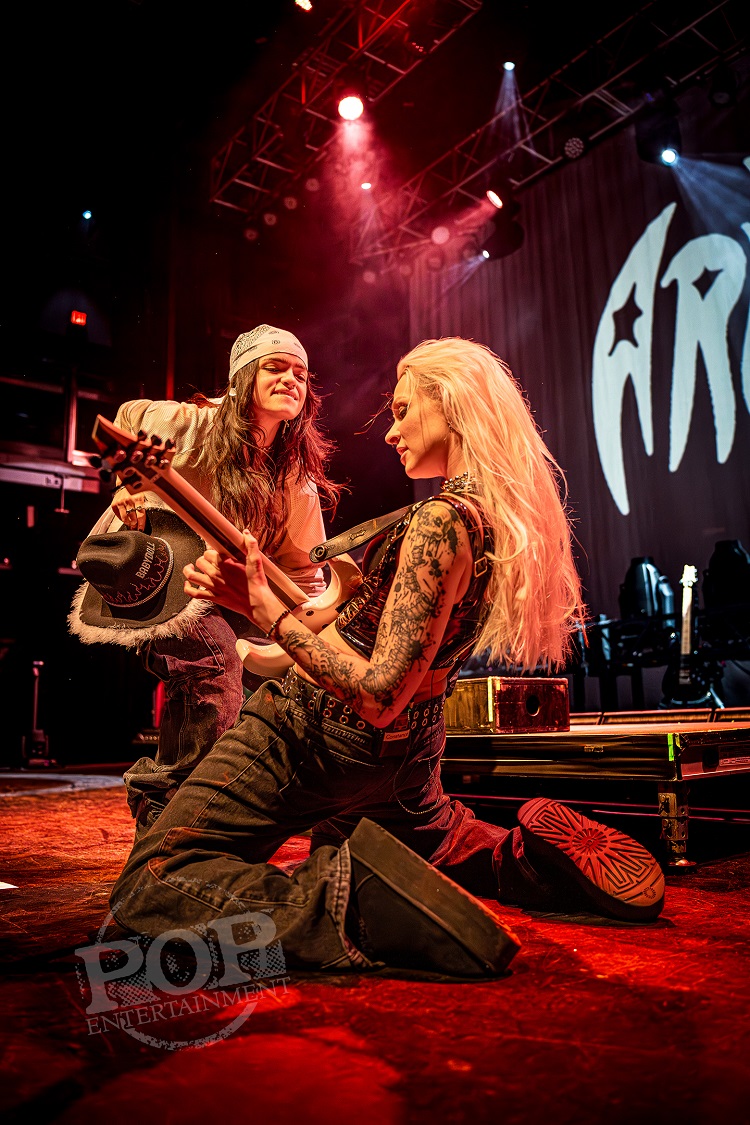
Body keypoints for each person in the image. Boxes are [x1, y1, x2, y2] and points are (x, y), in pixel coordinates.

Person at [109, 337, 665, 978]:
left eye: (403, 411)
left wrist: (263, 608)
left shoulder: (438, 522)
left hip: (320, 733)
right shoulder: (487, 518)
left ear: (450, 407)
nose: (391, 432)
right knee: (433, 837)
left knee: (153, 881)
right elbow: (387, 654)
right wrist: (295, 626)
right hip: (407, 757)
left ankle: (344, 905)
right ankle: (524, 859)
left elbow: (377, 694)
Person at [72, 324, 341, 835]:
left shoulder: (294, 476)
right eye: (276, 367)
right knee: (215, 665)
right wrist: (126, 486)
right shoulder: (189, 424)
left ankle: (233, 804)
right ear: (242, 378)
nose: (291, 379)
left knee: (286, 681)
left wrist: (307, 638)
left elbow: (304, 572)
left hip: (226, 587)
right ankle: (170, 811)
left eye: (301, 374)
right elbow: (125, 418)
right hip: (157, 571)